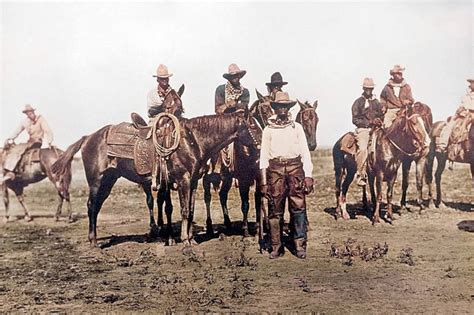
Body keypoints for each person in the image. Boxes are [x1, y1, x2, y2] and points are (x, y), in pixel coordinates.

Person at [259, 91, 314, 259]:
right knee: (275, 209)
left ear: (288, 108)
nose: (282, 110)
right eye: (279, 106)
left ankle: (299, 244)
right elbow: (263, 157)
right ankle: (276, 246)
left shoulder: (296, 127)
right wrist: (263, 181)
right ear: (275, 108)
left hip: (295, 169)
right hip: (275, 170)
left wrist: (308, 175)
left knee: (298, 207)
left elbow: (305, 152)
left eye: (285, 106)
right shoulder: (268, 130)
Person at [0, 104, 53, 182]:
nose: (29, 114)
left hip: (37, 142)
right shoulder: (25, 122)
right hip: (30, 141)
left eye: (30, 112)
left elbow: (48, 130)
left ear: (33, 112)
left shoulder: (41, 119)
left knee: (17, 149)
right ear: (26, 114)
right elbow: (17, 131)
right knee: (15, 148)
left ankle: (10, 171)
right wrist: (10, 138)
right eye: (27, 113)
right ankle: (14, 169)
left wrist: (49, 141)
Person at [351, 78, 384, 186]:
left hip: (376, 128)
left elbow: (380, 114)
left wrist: (380, 119)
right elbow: (355, 119)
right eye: (367, 88)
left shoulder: (376, 102)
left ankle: (387, 171)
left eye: (370, 88)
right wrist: (370, 122)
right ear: (363, 88)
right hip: (364, 129)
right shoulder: (358, 102)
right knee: (363, 148)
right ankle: (360, 174)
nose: (368, 90)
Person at [437, 78, 474, 152]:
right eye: (470, 83)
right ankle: (443, 145)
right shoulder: (467, 95)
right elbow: (462, 104)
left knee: (467, 128)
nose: (470, 85)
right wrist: (459, 110)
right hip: (464, 114)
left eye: (472, 83)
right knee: (449, 125)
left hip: (471, 114)